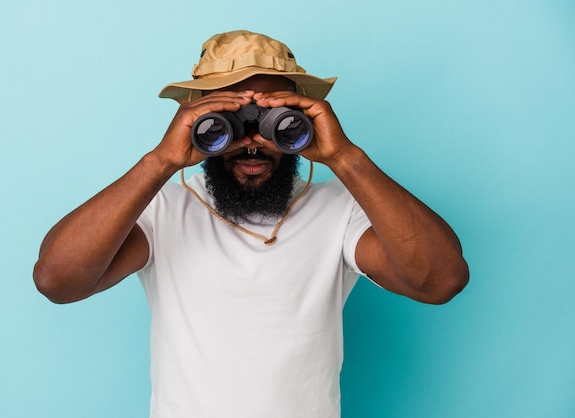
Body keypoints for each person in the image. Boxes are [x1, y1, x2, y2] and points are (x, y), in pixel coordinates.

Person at [34, 30, 469, 418]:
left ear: (302, 116)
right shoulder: (161, 209)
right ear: (193, 120)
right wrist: (161, 161)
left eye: (270, 120)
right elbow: (58, 280)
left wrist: (344, 156)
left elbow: (441, 280)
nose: (251, 143)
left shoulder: (340, 211)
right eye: (228, 120)